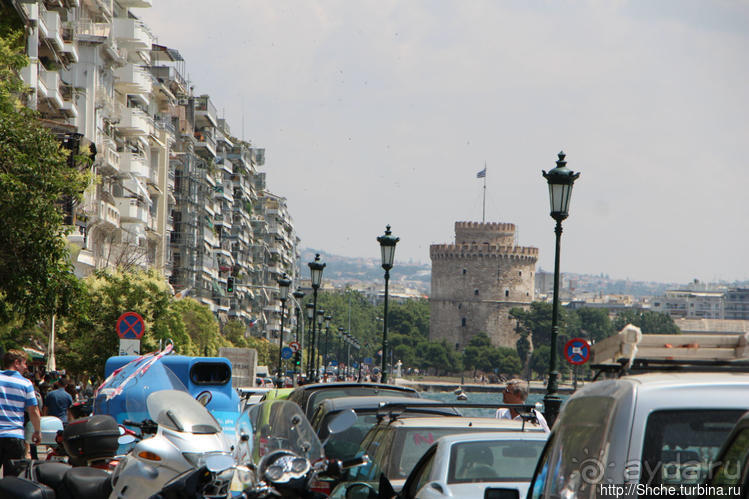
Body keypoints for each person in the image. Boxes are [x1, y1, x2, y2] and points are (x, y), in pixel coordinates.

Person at [0, 350, 41, 475]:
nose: (26, 367)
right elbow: (33, 410)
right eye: (24, 363)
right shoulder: (26, 384)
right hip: (14, 436)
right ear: (16, 363)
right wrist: (37, 431)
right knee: (13, 481)